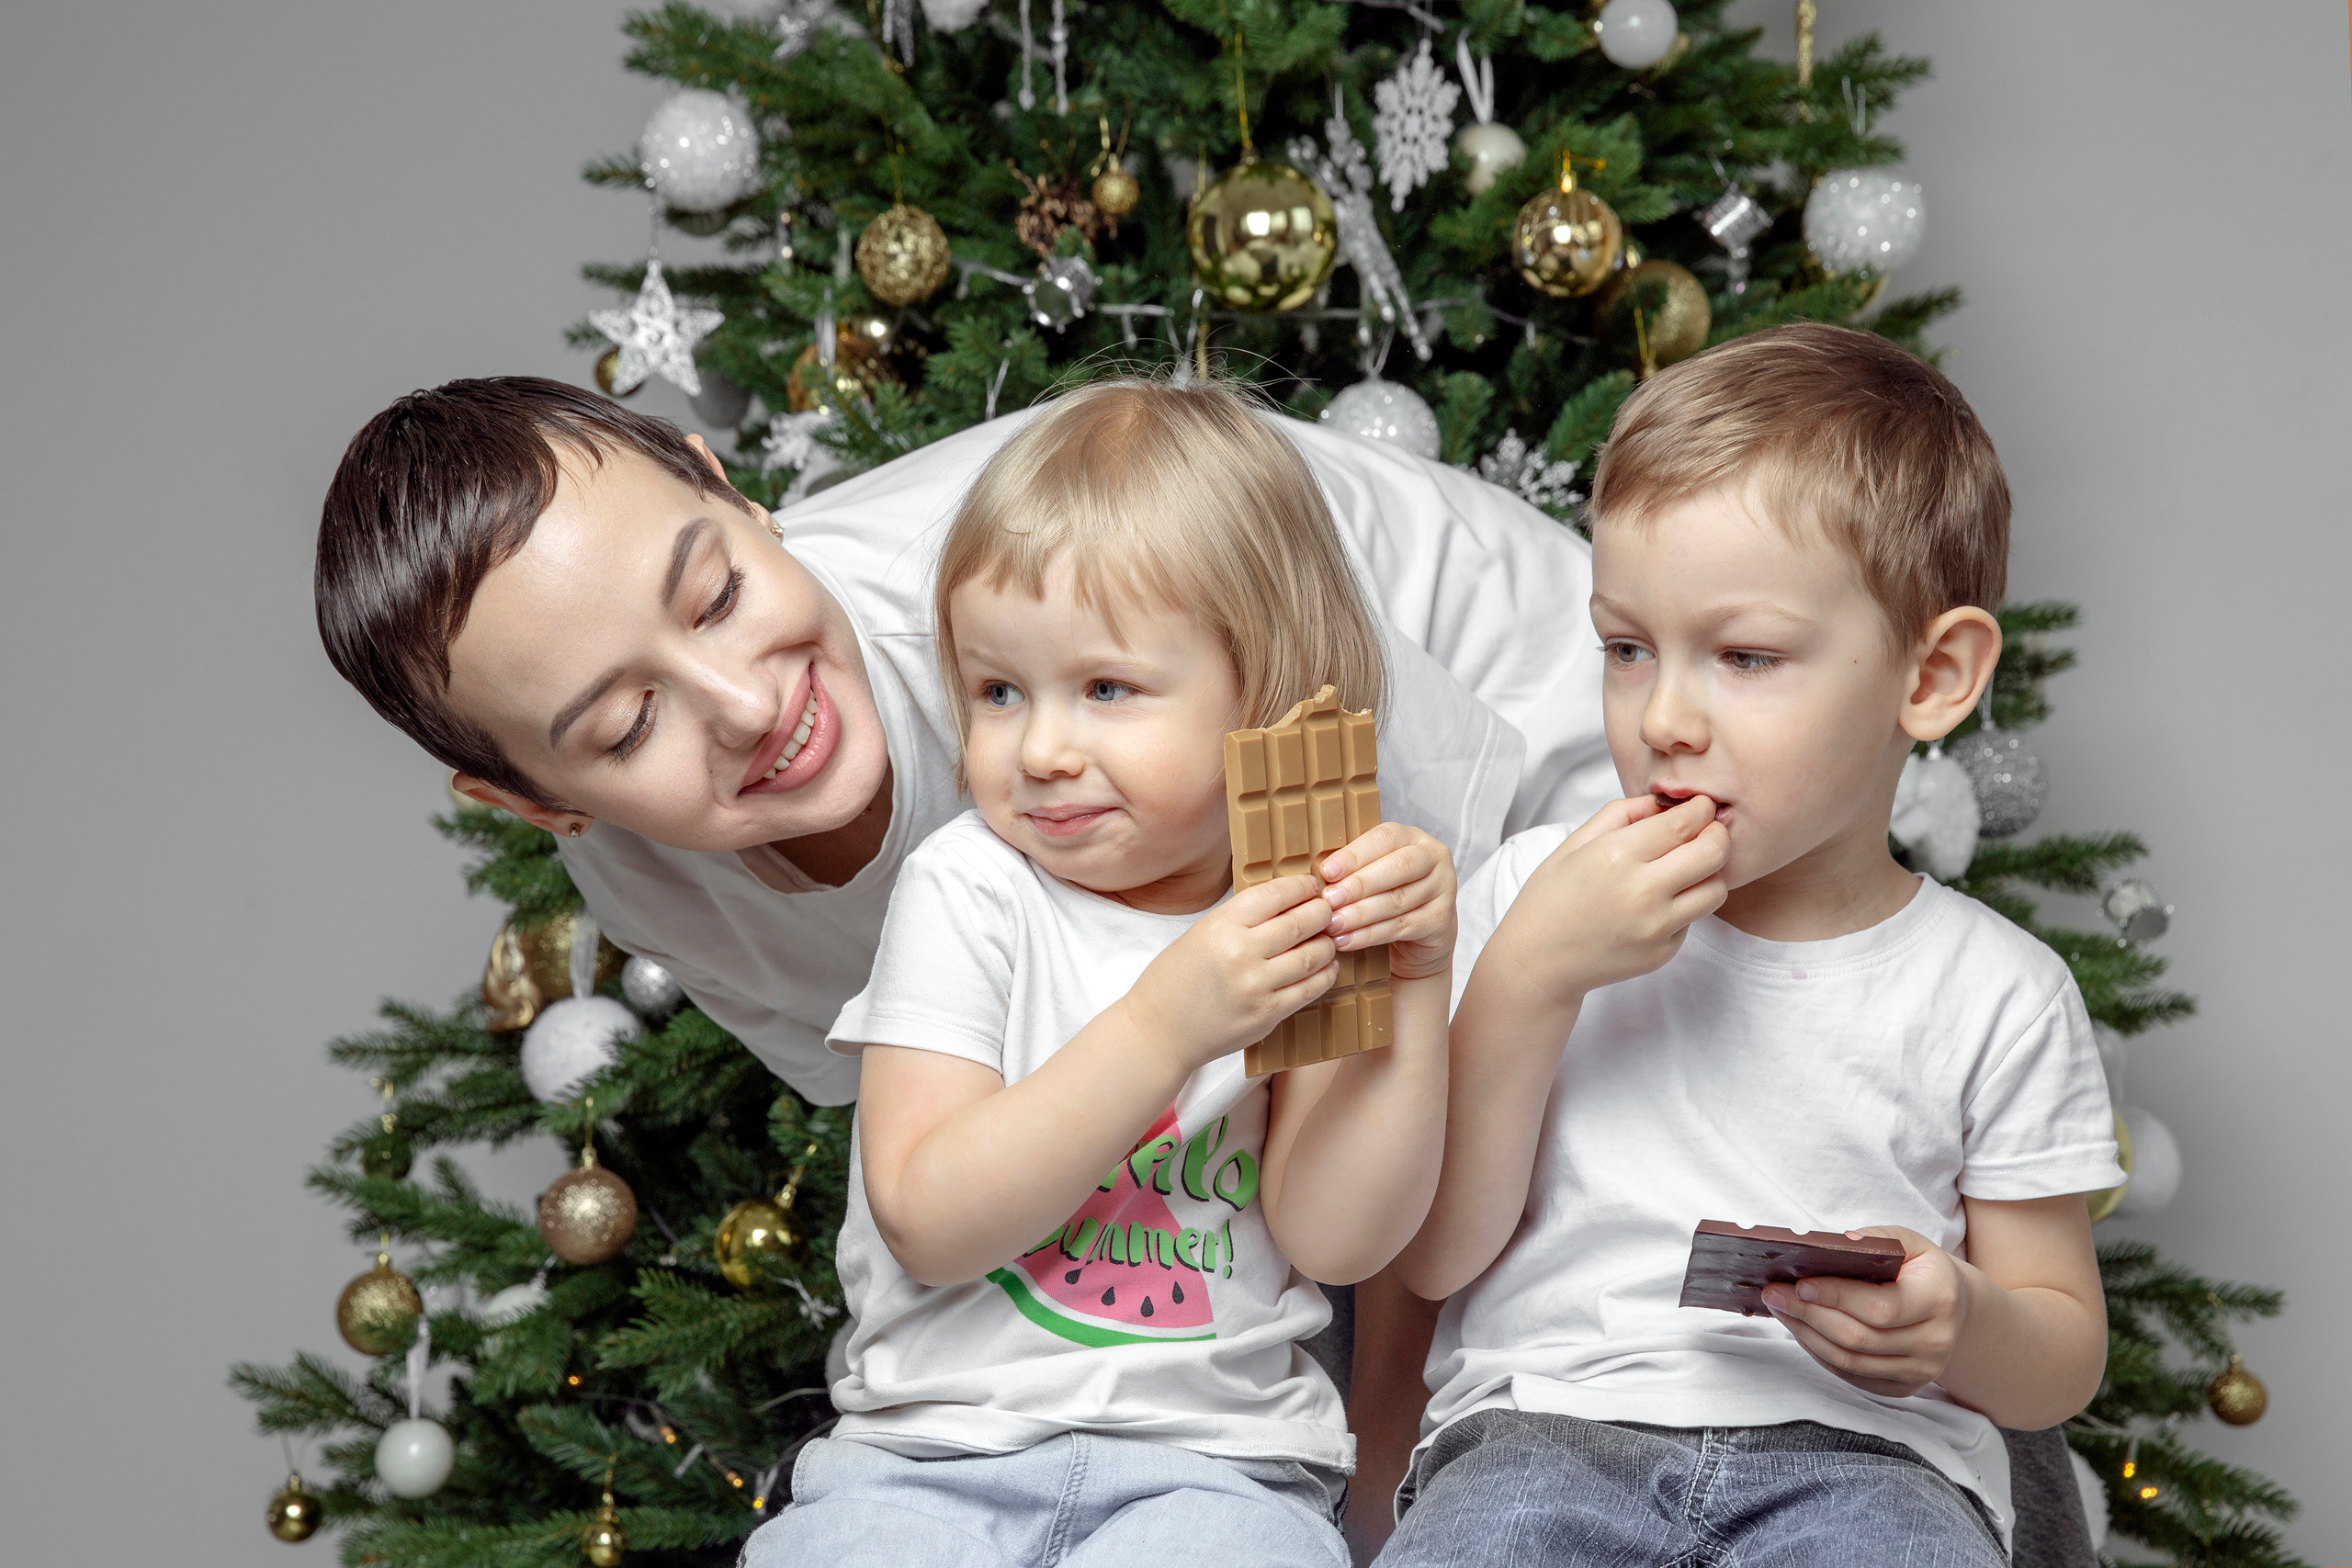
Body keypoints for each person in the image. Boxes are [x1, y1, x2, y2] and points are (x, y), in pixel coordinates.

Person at [1380, 323, 2123, 1568]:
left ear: (1934, 677)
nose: (1665, 718)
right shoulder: (1524, 896)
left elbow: (2061, 1356)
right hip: (1544, 1442)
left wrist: (1963, 1326)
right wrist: (1528, 978)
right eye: (1627, 650)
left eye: (1746, 657)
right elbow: (1433, 1259)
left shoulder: (1997, 991)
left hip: (1872, 1468)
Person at [743, 378, 1457, 1565]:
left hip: (1218, 1475)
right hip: (929, 1459)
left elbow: (1336, 1239)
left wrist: (1415, 983)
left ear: (1267, 693)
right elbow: (929, 1218)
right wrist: (1168, 1026)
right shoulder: (970, 888)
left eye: (1108, 689)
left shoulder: (1300, 897)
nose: (1043, 748)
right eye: (998, 691)